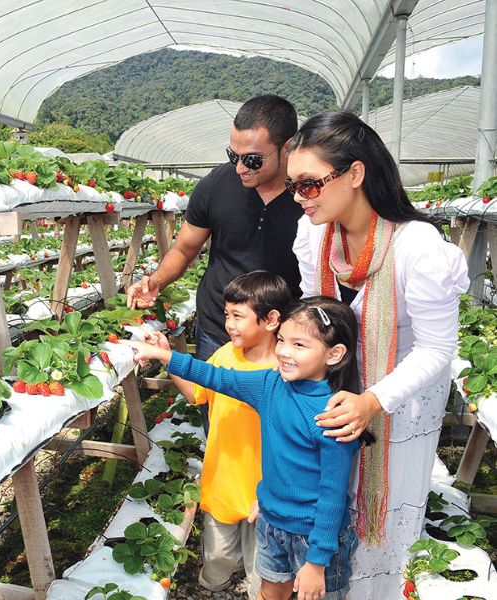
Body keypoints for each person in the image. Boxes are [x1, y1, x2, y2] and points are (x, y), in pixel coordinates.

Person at [287, 110, 469, 598]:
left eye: (309, 184)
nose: (300, 198)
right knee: (328, 502)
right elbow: (315, 315)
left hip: (400, 407)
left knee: (381, 523)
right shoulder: (315, 235)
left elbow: (437, 350)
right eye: (293, 187)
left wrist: (372, 400)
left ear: (355, 173)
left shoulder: (418, 248)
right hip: (338, 395)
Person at [126, 297, 365, 600]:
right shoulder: (270, 384)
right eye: (281, 340)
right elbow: (217, 376)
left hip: (314, 536)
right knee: (269, 592)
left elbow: (332, 497)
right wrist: (164, 354)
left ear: (335, 354)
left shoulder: (333, 415)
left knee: (317, 595)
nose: (284, 352)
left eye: (299, 345)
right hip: (271, 522)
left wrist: (317, 562)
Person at [127, 94, 303, 366]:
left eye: (253, 160)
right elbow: (185, 248)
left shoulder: (309, 195)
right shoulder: (216, 185)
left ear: (287, 147)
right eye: (234, 156)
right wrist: (157, 282)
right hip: (219, 327)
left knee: (271, 409)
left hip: (281, 336)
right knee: (213, 405)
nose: (241, 167)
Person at [161, 270, 291, 598]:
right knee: (218, 554)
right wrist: (168, 359)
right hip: (223, 478)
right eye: (226, 315)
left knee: (262, 563)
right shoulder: (224, 355)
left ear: (271, 319)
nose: (229, 324)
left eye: (238, 315)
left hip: (265, 489)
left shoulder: (287, 369)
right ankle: (212, 585)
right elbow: (196, 395)